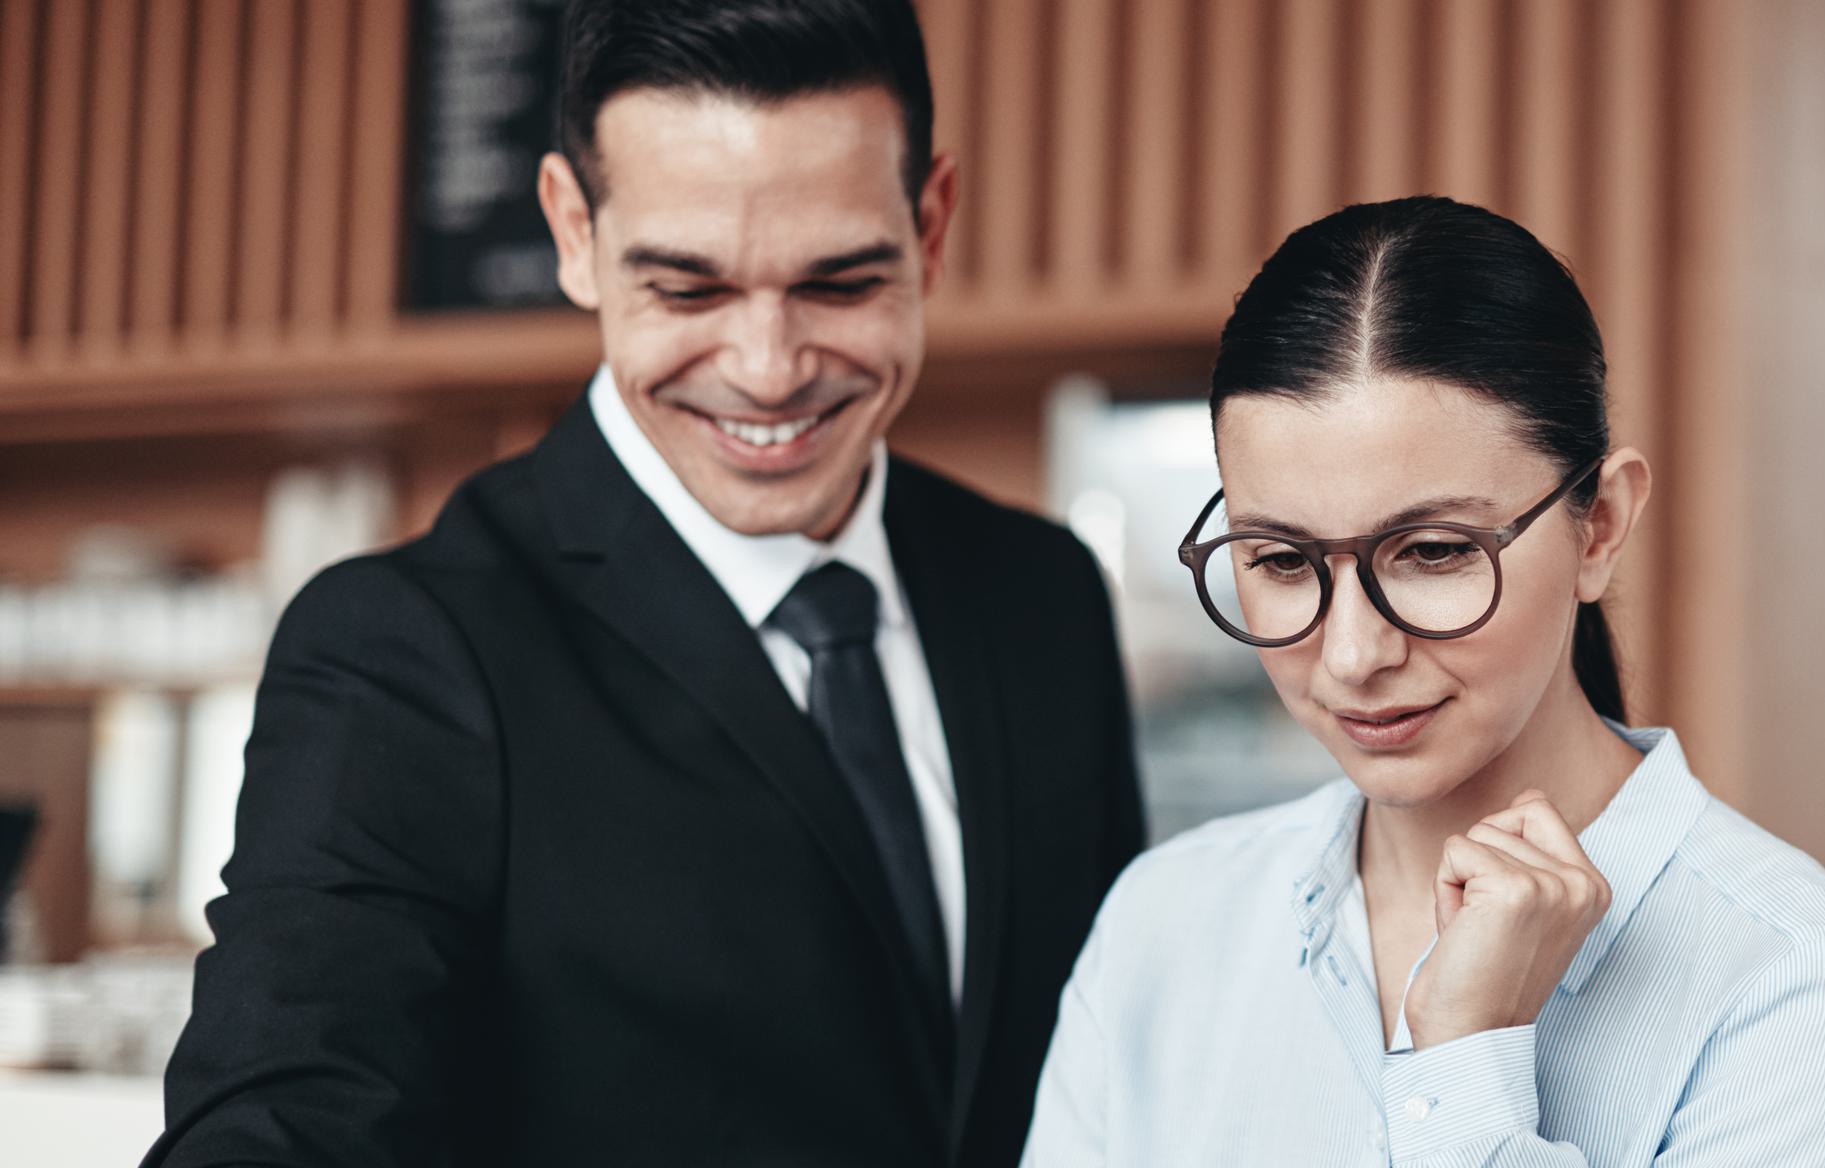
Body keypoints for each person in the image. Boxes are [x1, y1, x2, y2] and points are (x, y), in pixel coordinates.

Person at [146, 2, 1143, 1163]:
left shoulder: (1043, 595)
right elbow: (286, 1110)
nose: (769, 370)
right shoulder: (407, 645)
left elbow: (1126, 1045)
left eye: (840, 281)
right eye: (689, 289)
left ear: (930, 223)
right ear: (574, 230)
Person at [1019, 196, 1825, 1167]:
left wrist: (1467, 1059)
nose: (1354, 654)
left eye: (1434, 551)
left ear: (1600, 526)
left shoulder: (1792, 973)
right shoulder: (1169, 923)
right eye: (1280, 561)